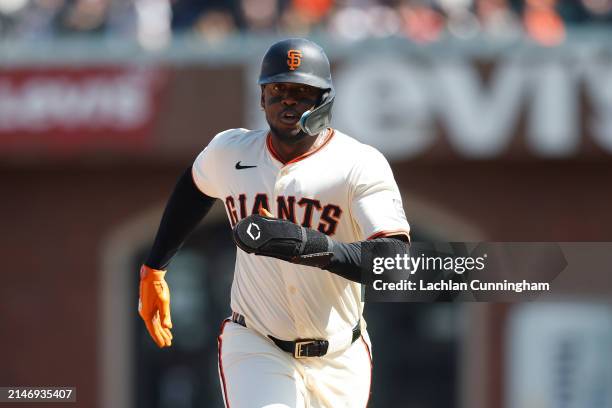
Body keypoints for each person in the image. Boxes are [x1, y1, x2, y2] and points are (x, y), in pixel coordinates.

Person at [138, 37, 411, 407]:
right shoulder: (230, 152)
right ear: (261, 97)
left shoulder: (358, 164)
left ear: (324, 100)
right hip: (257, 343)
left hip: (340, 354)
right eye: (278, 89)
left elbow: (394, 264)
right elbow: (193, 189)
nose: (287, 100)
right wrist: (155, 267)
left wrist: (307, 246)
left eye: (301, 92)